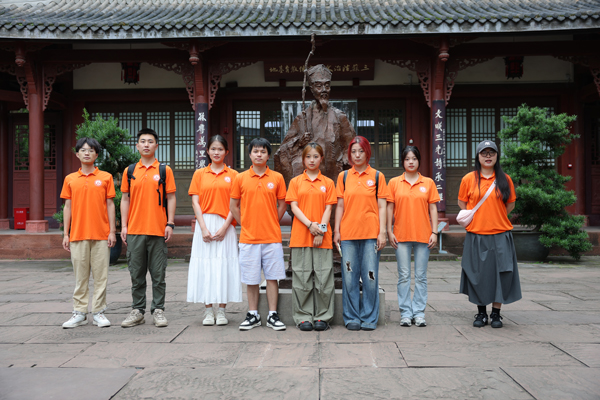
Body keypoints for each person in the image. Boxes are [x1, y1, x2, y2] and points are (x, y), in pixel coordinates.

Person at [458, 140, 521, 328]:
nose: (488, 156)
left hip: (501, 234)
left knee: (501, 274)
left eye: (491, 152)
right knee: (478, 275)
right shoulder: (468, 179)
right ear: (477, 156)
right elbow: (462, 203)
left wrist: (496, 217)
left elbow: (510, 204)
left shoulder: (505, 179)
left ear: (496, 156)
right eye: (484, 153)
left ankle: (496, 314)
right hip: (476, 235)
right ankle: (481, 313)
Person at [120, 128, 177, 328]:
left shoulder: (164, 170)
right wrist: (124, 225)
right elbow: (125, 199)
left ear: (156, 146)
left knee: (158, 274)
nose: (146, 144)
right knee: (136, 274)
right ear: (137, 146)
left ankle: (158, 310)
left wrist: (170, 223)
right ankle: (137, 310)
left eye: (150, 141)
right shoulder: (129, 171)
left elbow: (171, 197)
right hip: (135, 230)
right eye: (142, 141)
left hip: (157, 230)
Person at [230, 138, 288, 331]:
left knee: (272, 278)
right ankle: (253, 314)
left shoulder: (277, 178)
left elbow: (282, 204)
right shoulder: (240, 178)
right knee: (251, 278)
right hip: (249, 238)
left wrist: (272, 220)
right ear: (249, 154)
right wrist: (245, 223)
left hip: (272, 237)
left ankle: (272, 315)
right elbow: (233, 206)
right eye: (255, 151)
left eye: (263, 151)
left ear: (268, 155)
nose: (259, 154)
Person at [334, 136, 390, 331]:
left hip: (370, 236)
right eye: (353, 152)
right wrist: (336, 231)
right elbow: (339, 205)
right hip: (348, 235)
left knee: (370, 277)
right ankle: (352, 317)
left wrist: (382, 232)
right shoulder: (344, 177)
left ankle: (369, 317)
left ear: (367, 153)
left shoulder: (377, 176)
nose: (357, 155)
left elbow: (382, 206)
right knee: (349, 277)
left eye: (361, 151)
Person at [60, 138, 116, 328]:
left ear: (96, 155)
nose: (87, 153)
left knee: (101, 277)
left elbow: (110, 205)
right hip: (78, 234)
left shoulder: (106, 177)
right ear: (77, 154)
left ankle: (98, 312)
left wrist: (112, 231)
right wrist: (66, 234)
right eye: (83, 150)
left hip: (101, 234)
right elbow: (67, 207)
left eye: (91, 150)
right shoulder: (70, 179)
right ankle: (80, 312)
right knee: (80, 277)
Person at [187, 135, 241, 326]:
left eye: (220, 149)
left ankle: (222, 311)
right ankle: (208, 311)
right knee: (206, 267)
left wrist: (225, 227)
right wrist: (202, 228)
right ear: (208, 151)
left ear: (226, 152)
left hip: (226, 224)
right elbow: (195, 202)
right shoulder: (199, 174)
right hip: (205, 224)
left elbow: (235, 204)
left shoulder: (234, 175)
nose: (216, 152)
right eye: (213, 149)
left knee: (224, 266)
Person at [274, 64, 355, 186]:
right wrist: (299, 142)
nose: (323, 90)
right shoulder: (302, 118)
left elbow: (351, 147)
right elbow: (283, 150)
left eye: (327, 86)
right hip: (308, 177)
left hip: (333, 174)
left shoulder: (340, 117)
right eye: (319, 86)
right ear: (311, 89)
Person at [286, 143, 337, 331]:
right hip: (301, 235)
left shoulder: (328, 183)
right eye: (308, 157)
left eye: (316, 156)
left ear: (321, 159)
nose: (312, 160)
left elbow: (328, 209)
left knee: (324, 278)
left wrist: (320, 231)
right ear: (303, 159)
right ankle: (303, 317)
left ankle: (323, 316)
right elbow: (294, 207)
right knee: (301, 277)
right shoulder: (295, 182)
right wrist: (310, 226)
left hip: (322, 237)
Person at [387, 146, 439, 328]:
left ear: (419, 161)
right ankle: (405, 313)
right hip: (401, 236)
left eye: (414, 159)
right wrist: (389, 231)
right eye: (407, 159)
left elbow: (433, 209)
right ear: (402, 161)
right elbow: (389, 208)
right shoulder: (394, 183)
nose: (411, 162)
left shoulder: (428, 183)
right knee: (403, 276)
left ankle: (419, 313)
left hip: (424, 236)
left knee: (421, 276)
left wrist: (435, 232)